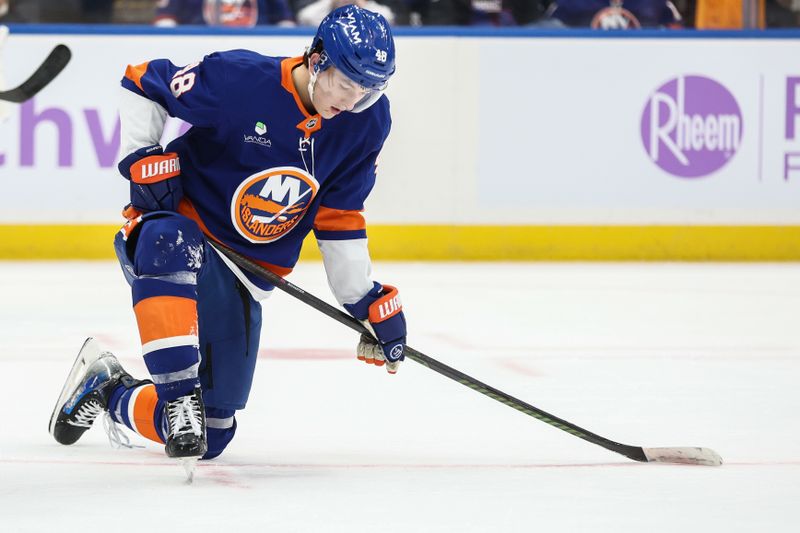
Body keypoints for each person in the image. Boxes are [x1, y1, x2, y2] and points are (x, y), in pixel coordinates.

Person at [49, 5, 407, 473]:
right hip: (175, 236)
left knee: (212, 434)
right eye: (345, 83)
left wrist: (363, 299)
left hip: (244, 277)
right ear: (317, 59)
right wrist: (142, 156)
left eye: (367, 90)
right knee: (170, 242)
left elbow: (339, 215)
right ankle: (178, 396)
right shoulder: (240, 80)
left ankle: (108, 389)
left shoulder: (367, 122)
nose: (353, 99)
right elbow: (143, 81)